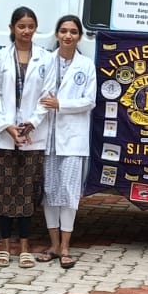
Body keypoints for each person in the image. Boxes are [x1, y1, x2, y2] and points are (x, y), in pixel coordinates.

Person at [0, 6, 52, 267]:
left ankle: (24, 246)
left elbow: (47, 97)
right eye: (21, 26)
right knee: (3, 191)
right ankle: (4, 246)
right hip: (5, 135)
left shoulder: (45, 59)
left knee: (26, 191)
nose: (26, 31)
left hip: (32, 136)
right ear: (12, 28)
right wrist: (7, 126)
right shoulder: (0, 58)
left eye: (31, 26)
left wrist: (31, 123)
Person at [39, 14, 96, 268]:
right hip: (48, 137)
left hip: (73, 139)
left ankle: (65, 246)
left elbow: (89, 101)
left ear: (79, 36)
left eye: (73, 32)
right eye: (63, 31)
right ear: (57, 34)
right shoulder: (45, 61)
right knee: (50, 192)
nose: (68, 36)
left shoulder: (86, 65)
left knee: (69, 193)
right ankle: (52, 244)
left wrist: (61, 104)